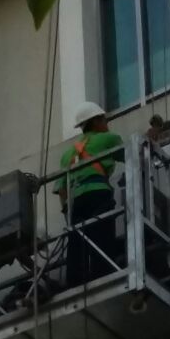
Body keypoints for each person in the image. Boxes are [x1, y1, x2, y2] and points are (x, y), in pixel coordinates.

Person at [55, 102, 123, 288]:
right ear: (96, 121)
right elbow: (134, 154)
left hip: (76, 201)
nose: (107, 124)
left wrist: (67, 211)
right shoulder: (109, 139)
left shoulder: (67, 154)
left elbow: (61, 189)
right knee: (102, 235)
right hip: (98, 194)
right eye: (104, 120)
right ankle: (103, 274)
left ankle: (75, 280)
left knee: (77, 241)